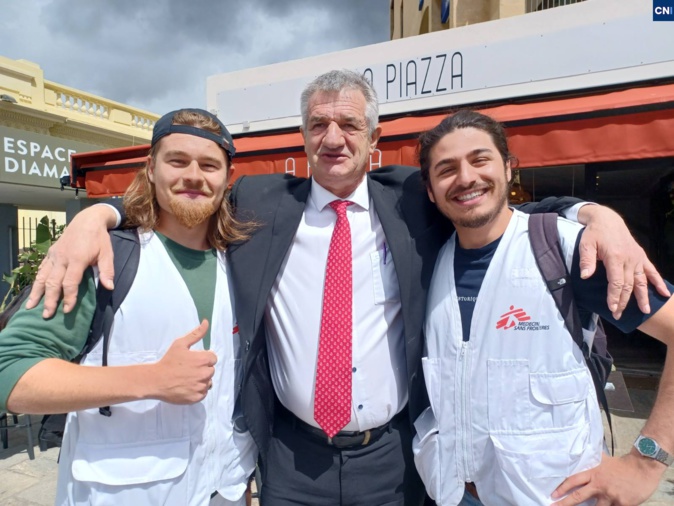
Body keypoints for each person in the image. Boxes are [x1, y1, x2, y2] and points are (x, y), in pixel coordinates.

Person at [27, 71, 668, 506]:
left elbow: (494, 205)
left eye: (349, 125)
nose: (333, 137)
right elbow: (177, 202)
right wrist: (96, 216)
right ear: (302, 135)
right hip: (288, 457)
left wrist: (596, 215)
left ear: (374, 139)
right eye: (318, 124)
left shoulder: (415, 198)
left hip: (391, 457)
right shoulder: (258, 202)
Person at [413, 110, 674, 505]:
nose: (466, 177)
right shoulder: (428, 263)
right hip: (450, 493)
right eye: (446, 169)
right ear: (430, 190)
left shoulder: (567, 250)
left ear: (508, 168)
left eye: (480, 160)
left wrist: (646, 463)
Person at [0, 109, 257, 505]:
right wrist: (151, 380)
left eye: (209, 165)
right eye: (177, 161)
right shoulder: (103, 259)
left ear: (227, 178)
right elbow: (11, 374)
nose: (193, 175)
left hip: (225, 487)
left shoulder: (242, 260)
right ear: (151, 169)